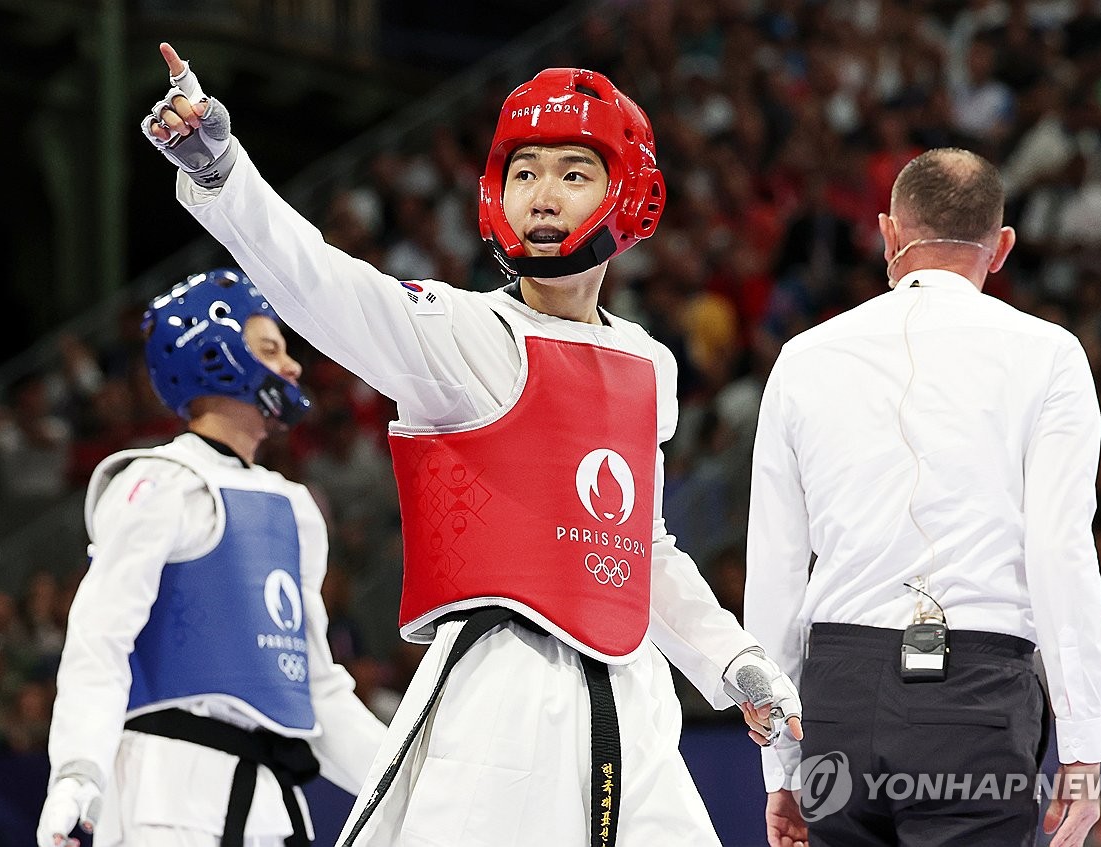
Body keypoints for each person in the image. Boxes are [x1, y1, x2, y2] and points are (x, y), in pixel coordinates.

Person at [140, 43, 803, 847]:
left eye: (572, 171)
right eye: (524, 173)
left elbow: (637, 547)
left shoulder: (649, 365)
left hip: (635, 699)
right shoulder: (463, 332)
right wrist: (223, 175)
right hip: (500, 696)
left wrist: (733, 661)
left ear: (627, 194)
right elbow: (322, 283)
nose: (543, 195)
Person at [744, 147, 1101, 847]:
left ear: (888, 233)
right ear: (1000, 247)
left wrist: (780, 765)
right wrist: (1084, 740)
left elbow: (775, 567)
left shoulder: (804, 358)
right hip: (974, 698)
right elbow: (1060, 551)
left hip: (837, 697)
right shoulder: (1049, 355)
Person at [36, 268, 387, 847]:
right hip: (162, 796)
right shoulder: (160, 484)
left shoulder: (294, 508)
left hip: (272, 807)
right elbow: (99, 641)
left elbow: (316, 691)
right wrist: (77, 772)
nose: (293, 367)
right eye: (271, 348)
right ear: (218, 356)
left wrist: (421, 782)